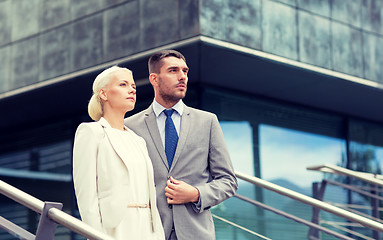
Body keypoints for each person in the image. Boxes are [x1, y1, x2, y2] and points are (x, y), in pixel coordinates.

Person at [124, 50, 238, 240]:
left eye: (185, 71)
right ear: (154, 78)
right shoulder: (130, 126)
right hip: (149, 233)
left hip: (196, 233)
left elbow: (228, 181)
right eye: (173, 71)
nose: (182, 77)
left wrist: (195, 193)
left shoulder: (207, 122)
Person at [72, 66, 165, 240]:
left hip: (147, 229)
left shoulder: (138, 140)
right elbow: (86, 195)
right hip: (114, 229)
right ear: (104, 94)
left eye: (133, 87)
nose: (131, 90)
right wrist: (95, 235)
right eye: (123, 84)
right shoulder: (91, 132)